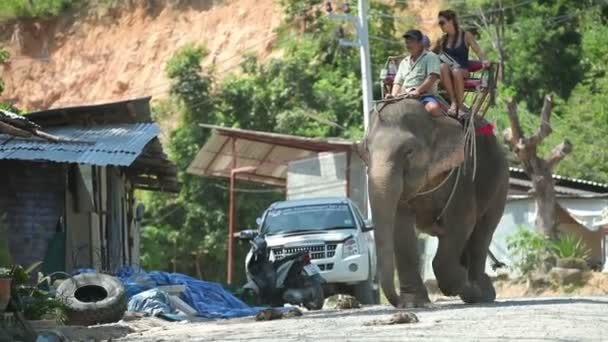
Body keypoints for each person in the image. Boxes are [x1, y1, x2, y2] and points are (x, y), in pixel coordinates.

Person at [434, 9, 490, 117]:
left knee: (456, 71)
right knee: (442, 67)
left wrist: (484, 60)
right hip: (447, 71)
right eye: (439, 23)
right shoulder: (443, 40)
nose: (440, 26)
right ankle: (453, 102)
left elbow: (478, 51)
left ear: (451, 21)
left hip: (462, 70)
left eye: (442, 23)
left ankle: (461, 106)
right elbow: (431, 54)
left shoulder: (465, 35)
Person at [389, 29, 442, 117]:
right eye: (407, 42)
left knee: (433, 108)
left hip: (424, 96)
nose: (408, 45)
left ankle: (443, 129)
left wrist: (417, 91)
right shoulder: (404, 62)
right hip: (403, 96)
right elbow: (398, 82)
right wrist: (393, 95)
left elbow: (432, 77)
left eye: (411, 42)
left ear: (420, 43)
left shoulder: (431, 57)